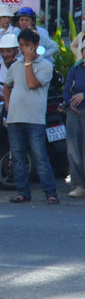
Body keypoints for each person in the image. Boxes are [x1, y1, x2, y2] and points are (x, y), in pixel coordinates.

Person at [3, 28, 58, 204]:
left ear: (36, 46)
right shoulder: (15, 66)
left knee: (40, 156)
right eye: (21, 46)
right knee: (18, 157)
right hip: (15, 118)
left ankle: (50, 192)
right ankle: (22, 192)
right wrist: (7, 103)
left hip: (34, 118)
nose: (23, 49)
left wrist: (27, 62)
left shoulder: (46, 66)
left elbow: (32, 83)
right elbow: (7, 85)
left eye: (27, 46)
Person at [66, 35, 85, 197]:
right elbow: (66, 90)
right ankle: (78, 185)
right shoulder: (75, 69)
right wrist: (69, 102)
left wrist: (84, 95)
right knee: (74, 150)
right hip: (74, 113)